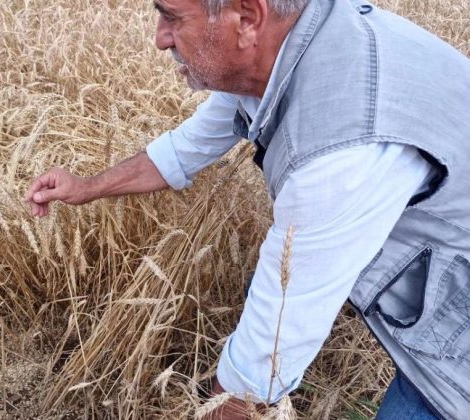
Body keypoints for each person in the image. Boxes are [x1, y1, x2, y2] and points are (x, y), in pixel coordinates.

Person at [24, 0, 470, 418]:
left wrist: (223, 405)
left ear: (247, 20)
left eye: (173, 18)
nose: (160, 38)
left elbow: (271, 349)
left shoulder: (340, 148)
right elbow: (186, 148)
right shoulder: (286, 52)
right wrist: (86, 187)